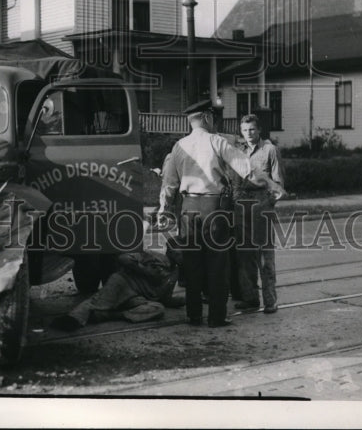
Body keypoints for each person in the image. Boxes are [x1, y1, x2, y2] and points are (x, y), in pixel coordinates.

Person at [157, 100, 283, 329]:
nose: (215, 121)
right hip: (214, 209)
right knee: (218, 265)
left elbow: (169, 184)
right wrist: (271, 185)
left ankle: (193, 315)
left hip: (188, 210)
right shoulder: (217, 142)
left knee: (192, 264)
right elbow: (247, 169)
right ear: (206, 117)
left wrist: (164, 210)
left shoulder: (179, 146)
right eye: (213, 117)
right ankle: (216, 317)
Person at [232, 114, 286, 315]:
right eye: (245, 130)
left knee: (265, 256)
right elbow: (235, 181)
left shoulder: (269, 150)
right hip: (242, 207)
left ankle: (270, 301)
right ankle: (250, 299)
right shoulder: (238, 152)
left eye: (252, 129)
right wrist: (237, 202)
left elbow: (278, 184)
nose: (248, 134)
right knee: (245, 256)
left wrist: (267, 203)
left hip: (261, 206)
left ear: (259, 130)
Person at [50, 249, 178, 331]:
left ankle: (109, 315)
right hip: (124, 283)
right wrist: (145, 270)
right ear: (170, 251)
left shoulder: (174, 273)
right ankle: (73, 319)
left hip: (138, 297)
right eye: (179, 252)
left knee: (158, 309)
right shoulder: (154, 256)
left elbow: (165, 299)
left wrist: (185, 301)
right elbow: (124, 257)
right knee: (98, 301)